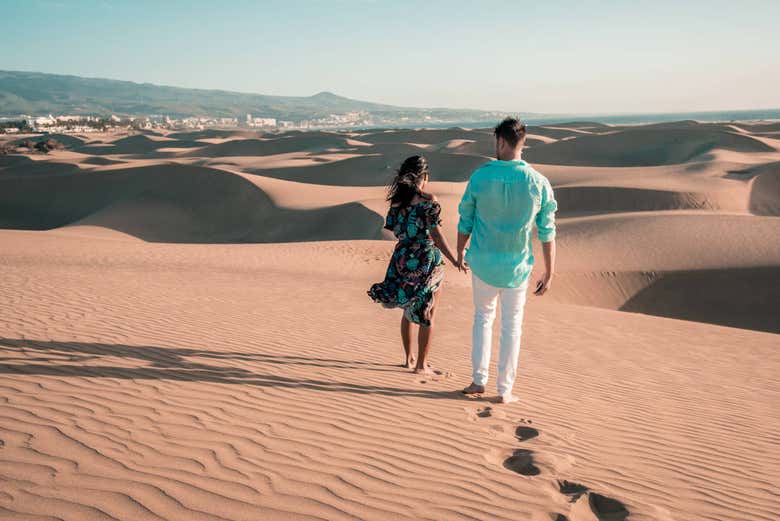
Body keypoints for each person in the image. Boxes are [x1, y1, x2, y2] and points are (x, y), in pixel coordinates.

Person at [456, 117, 557, 403]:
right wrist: (550, 271)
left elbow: (466, 220)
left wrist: (460, 251)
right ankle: (504, 390)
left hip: (484, 264)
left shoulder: (480, 177)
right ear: (521, 143)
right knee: (512, 326)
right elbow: (548, 231)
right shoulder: (538, 182)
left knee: (482, 319)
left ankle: (478, 381)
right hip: (517, 267)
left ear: (501, 141)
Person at [368, 155, 464, 374]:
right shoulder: (429, 199)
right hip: (426, 258)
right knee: (427, 310)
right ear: (425, 176)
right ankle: (422, 365)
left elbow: (393, 228)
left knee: (408, 308)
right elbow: (436, 235)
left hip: (402, 258)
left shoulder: (397, 201)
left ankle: (409, 359)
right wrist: (454, 259)